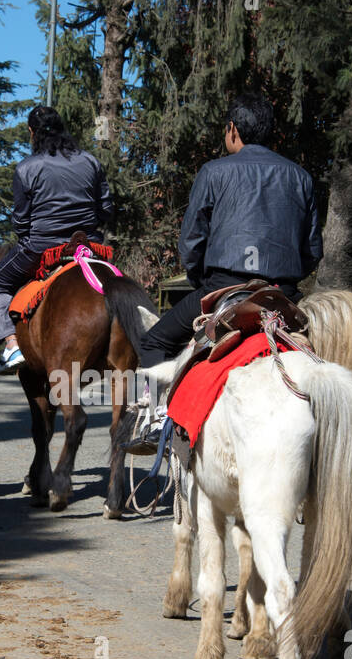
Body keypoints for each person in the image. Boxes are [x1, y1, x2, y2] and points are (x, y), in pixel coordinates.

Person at [123, 93, 322, 452]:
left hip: (224, 288)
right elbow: (312, 252)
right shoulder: (301, 177)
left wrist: (202, 282)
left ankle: (151, 419)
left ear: (232, 130)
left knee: (153, 341)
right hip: (282, 295)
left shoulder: (214, 171)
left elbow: (192, 241)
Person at [0, 106, 113, 374]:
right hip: (89, 247)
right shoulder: (91, 161)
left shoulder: (26, 168)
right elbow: (106, 210)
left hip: (42, 249)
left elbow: (20, 223)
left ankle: (11, 345)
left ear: (32, 133)